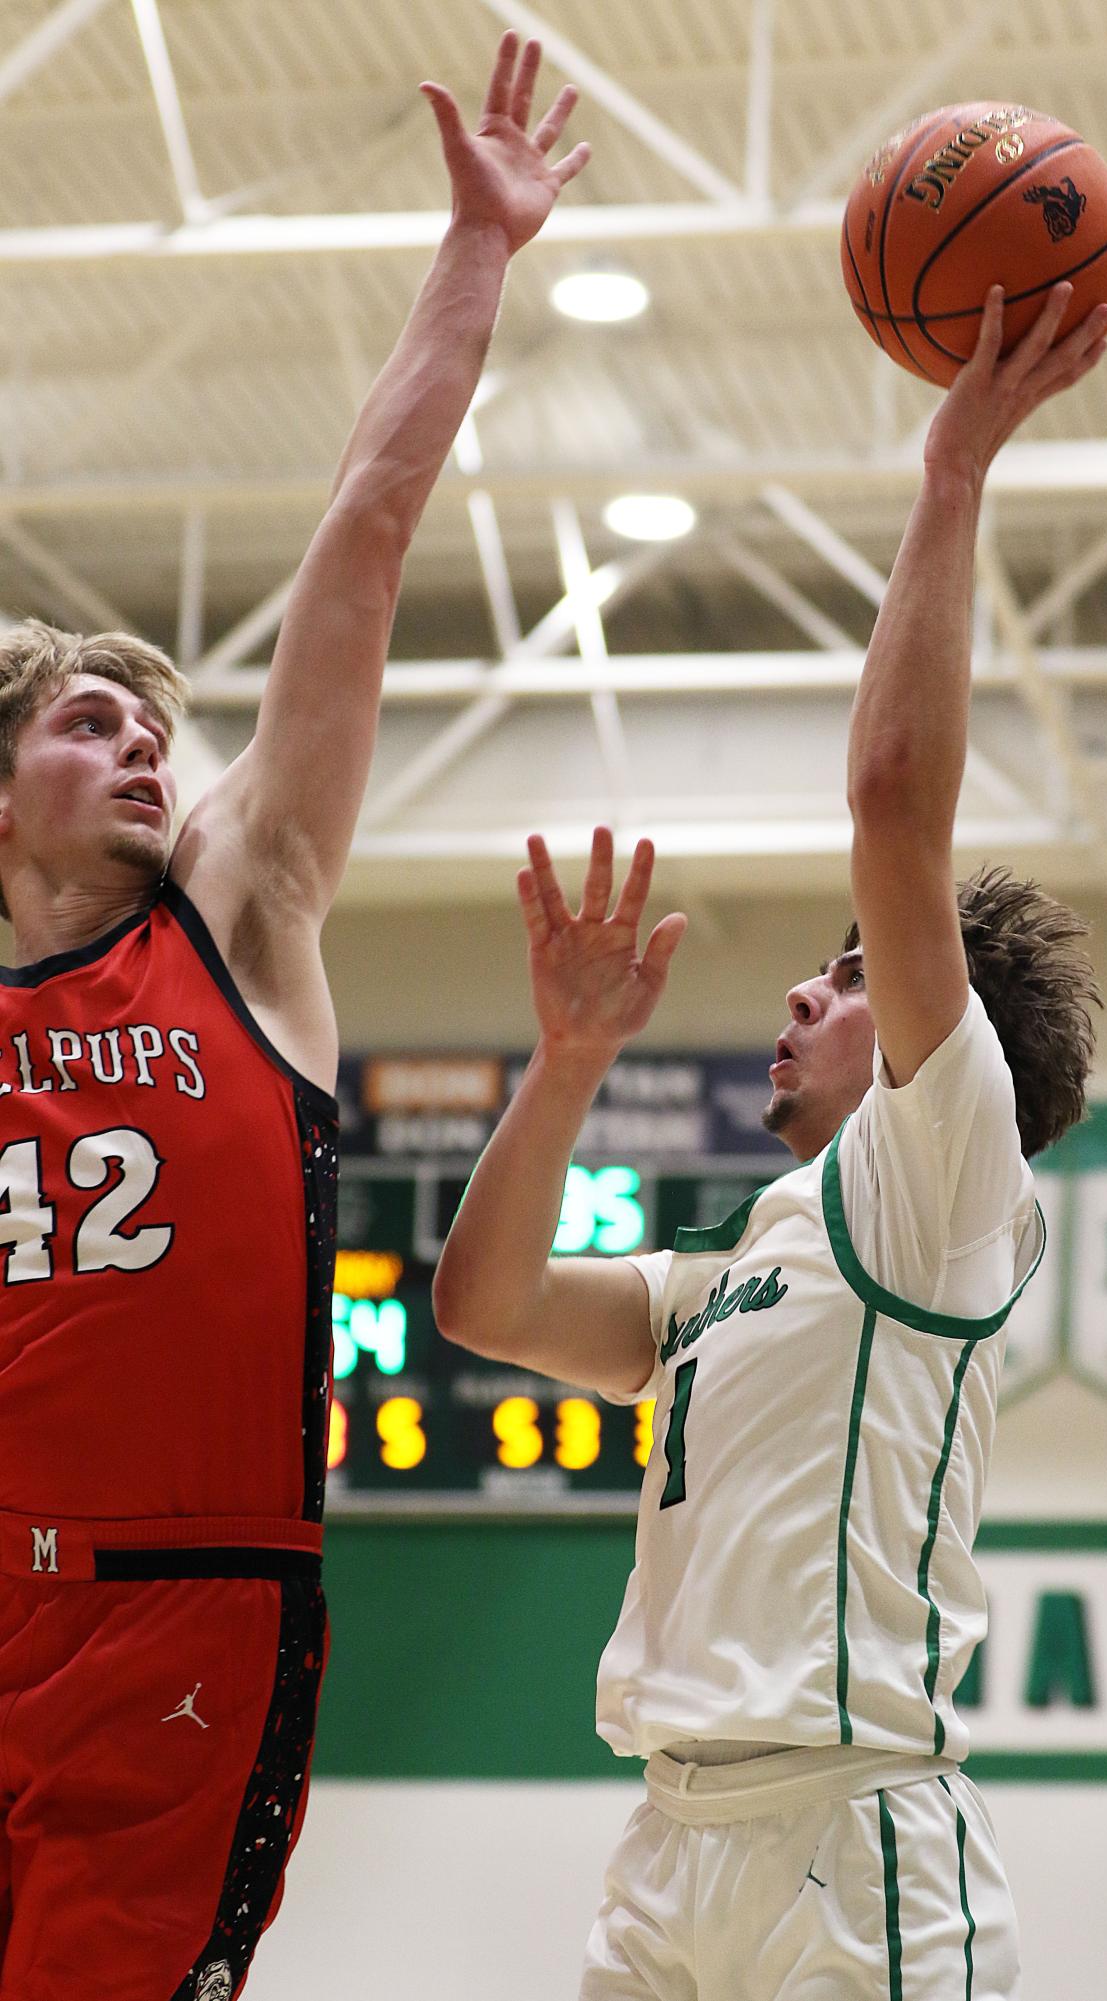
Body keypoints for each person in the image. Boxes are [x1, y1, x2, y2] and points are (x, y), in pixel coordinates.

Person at [433, 282, 1107, 2000]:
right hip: (667, 1846)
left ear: (939, 1038)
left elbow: (892, 796)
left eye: (851, 973)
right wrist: (569, 1059)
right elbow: (484, 1306)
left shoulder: (937, 1179)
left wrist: (949, 467)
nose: (807, 995)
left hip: (852, 1850)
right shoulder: (735, 1265)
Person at [0, 35, 587, 2001]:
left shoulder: (239, 916)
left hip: (180, 1604)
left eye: (157, 718)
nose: (146, 741)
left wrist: (475, 264)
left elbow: (363, 533)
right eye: (91, 721)